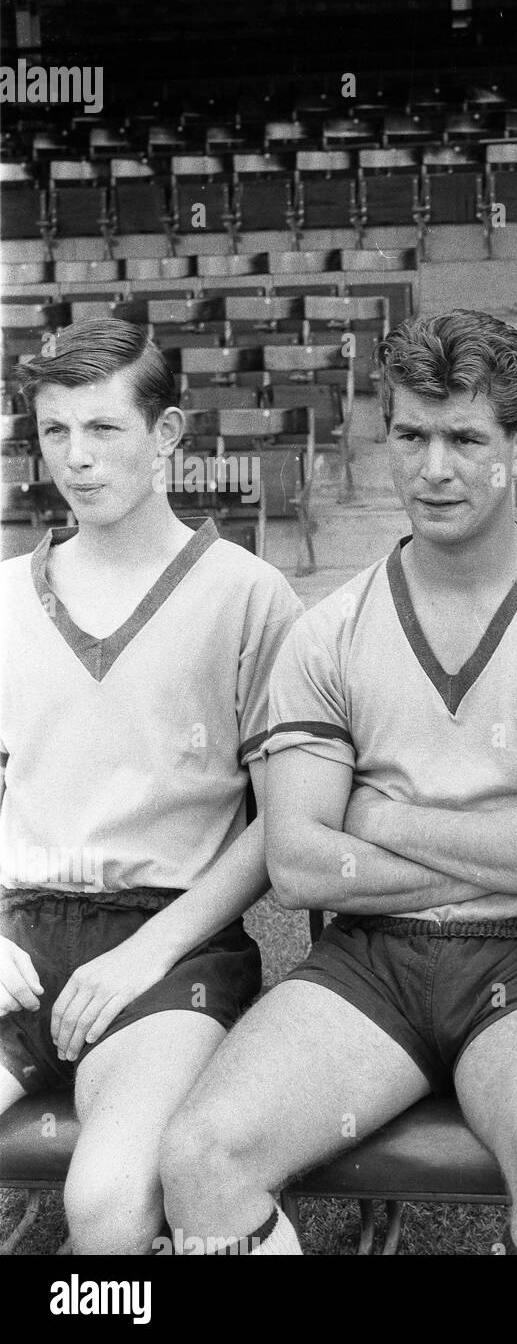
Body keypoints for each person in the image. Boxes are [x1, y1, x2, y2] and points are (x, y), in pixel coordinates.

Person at [161, 310, 517, 1255]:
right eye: (411, 435)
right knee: (200, 1152)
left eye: (466, 439)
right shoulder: (328, 629)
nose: (434, 469)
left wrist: (381, 818)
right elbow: (302, 866)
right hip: (372, 961)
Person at [0, 319, 302, 1253]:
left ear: (167, 435)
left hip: (166, 947)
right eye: (56, 433)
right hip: (17, 940)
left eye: (105, 430)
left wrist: (149, 954)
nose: (78, 461)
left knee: (105, 1199)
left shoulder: (250, 596)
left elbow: (283, 824)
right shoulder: (7, 596)